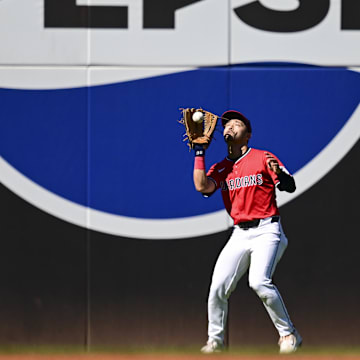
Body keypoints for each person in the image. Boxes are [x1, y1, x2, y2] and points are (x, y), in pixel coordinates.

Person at [193, 110, 302, 354]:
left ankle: (288, 334)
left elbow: (289, 186)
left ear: (248, 135)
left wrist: (282, 175)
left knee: (259, 282)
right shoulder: (221, 168)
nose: (230, 127)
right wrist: (200, 153)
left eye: (237, 124)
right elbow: (202, 186)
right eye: (227, 125)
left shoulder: (263, 157)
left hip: (267, 229)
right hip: (239, 233)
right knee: (217, 287)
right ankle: (215, 342)